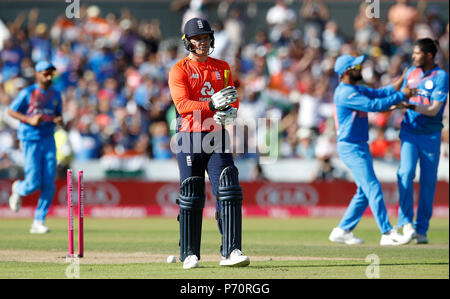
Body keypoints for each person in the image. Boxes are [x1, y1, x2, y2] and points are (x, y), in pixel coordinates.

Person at [168, 17, 250, 269]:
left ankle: (232, 250)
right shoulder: (179, 70)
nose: (202, 43)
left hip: (217, 136)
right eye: (197, 39)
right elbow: (182, 106)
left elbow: (231, 97)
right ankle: (189, 253)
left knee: (229, 189)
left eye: (206, 38)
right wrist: (211, 105)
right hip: (189, 136)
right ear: (188, 42)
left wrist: (231, 111)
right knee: (191, 194)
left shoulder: (223, 67)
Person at [329, 54, 414, 246]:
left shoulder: (354, 89)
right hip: (351, 146)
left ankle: (342, 230)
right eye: (355, 67)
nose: (359, 69)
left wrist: (401, 80)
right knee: (372, 186)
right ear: (346, 72)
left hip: (358, 144)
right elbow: (374, 105)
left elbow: (379, 94)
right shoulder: (345, 93)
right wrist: (403, 95)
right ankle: (387, 232)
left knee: (364, 191)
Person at [396, 38, 449, 244]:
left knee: (428, 183)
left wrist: (409, 106)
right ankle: (406, 223)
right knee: (405, 173)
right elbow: (397, 93)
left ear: (428, 55)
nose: (413, 56)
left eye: (417, 53)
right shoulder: (410, 72)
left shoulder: (441, 76)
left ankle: (422, 230)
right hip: (410, 132)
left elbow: (434, 109)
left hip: (431, 135)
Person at [8, 61, 63, 234]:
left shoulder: (55, 94)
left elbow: (58, 115)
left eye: (51, 73)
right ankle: (18, 188)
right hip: (30, 139)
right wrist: (29, 120)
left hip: (48, 139)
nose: (49, 76)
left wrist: (60, 120)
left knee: (49, 183)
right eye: (46, 73)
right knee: (33, 183)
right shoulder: (28, 92)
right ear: (37, 73)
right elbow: (11, 111)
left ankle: (38, 221)